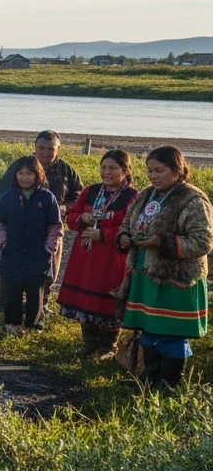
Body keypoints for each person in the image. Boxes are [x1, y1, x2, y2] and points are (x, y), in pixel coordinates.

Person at [115, 146, 213, 386]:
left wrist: (162, 243)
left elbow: (203, 242)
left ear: (177, 170)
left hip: (176, 279)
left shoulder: (193, 200)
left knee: (171, 332)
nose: (153, 176)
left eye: (159, 170)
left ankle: (170, 382)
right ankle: (150, 376)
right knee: (148, 328)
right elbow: (126, 223)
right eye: (150, 170)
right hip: (145, 276)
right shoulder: (145, 195)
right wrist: (124, 237)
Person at [58, 150, 138, 357]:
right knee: (86, 297)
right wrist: (81, 219)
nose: (106, 172)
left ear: (126, 170)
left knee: (108, 298)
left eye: (113, 168)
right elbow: (72, 216)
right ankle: (89, 343)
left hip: (112, 257)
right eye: (103, 167)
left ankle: (107, 346)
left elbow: (132, 228)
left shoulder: (133, 197)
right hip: (85, 255)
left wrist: (104, 233)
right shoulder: (91, 191)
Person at [0, 130, 84, 308]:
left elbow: (78, 194)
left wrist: (65, 207)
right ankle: (7, 303)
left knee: (49, 266)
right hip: (19, 227)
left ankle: (41, 304)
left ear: (58, 149)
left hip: (52, 227)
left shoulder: (66, 169)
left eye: (50, 149)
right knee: (13, 265)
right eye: (41, 148)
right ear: (34, 147)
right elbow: (4, 188)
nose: (45, 153)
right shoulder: (22, 165)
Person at [0, 156, 63, 333]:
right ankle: (12, 323)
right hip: (13, 251)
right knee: (13, 288)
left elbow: (55, 225)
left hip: (39, 252)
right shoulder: (8, 197)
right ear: (15, 175)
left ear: (38, 175)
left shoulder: (47, 198)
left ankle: (34, 325)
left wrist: (50, 247)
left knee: (36, 291)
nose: (25, 177)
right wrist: (3, 242)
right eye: (21, 173)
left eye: (29, 173)